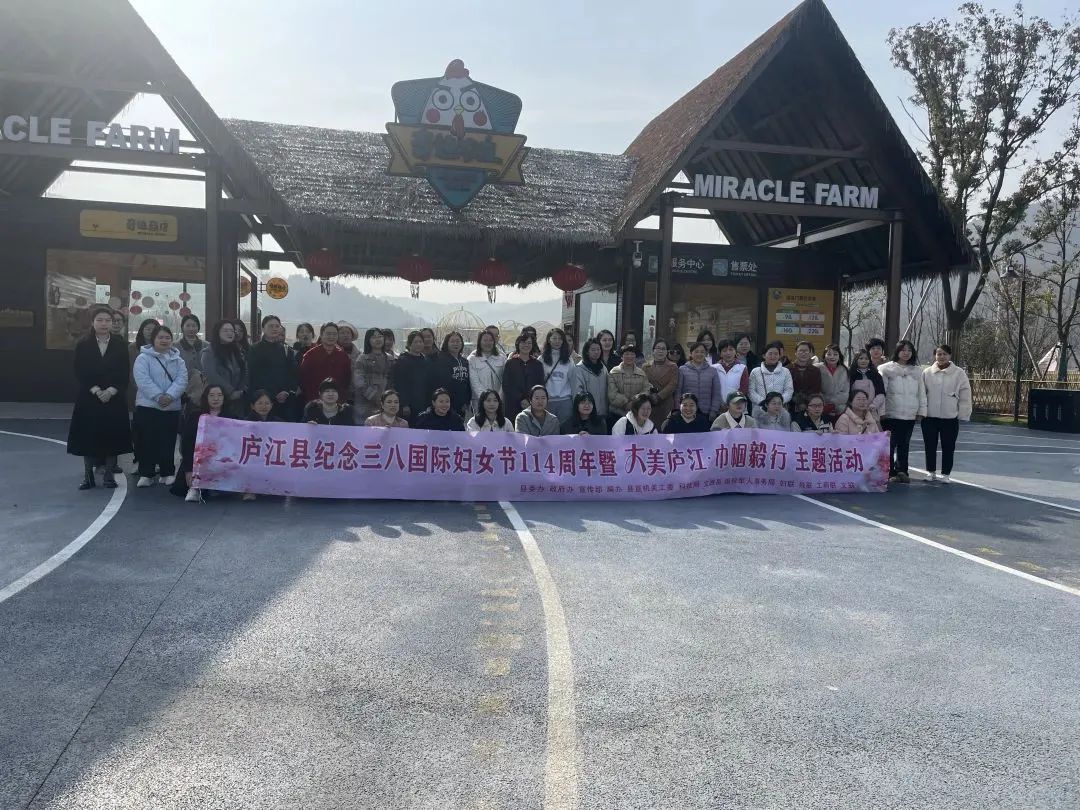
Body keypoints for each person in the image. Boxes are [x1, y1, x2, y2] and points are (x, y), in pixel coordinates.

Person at [68, 306, 131, 490]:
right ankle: (88, 477)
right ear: (93, 322)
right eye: (100, 320)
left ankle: (109, 476)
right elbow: (79, 371)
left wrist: (110, 391)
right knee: (88, 437)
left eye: (108, 320)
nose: (104, 324)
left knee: (113, 437)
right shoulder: (83, 344)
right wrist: (96, 390)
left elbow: (124, 372)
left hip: (114, 397)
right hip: (89, 397)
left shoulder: (120, 345)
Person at [131, 324, 187, 487]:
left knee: (168, 441)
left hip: (171, 406)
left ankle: (167, 472)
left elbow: (182, 380)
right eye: (160, 337)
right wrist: (158, 396)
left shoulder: (178, 360)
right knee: (147, 440)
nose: (164, 340)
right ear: (153, 339)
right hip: (148, 406)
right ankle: (146, 474)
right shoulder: (143, 358)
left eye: (168, 338)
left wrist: (170, 396)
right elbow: (142, 379)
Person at [921, 343, 972, 483]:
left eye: (945, 354)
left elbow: (965, 394)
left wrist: (963, 413)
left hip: (950, 417)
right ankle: (930, 472)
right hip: (929, 417)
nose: (942, 356)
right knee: (929, 445)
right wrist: (921, 411)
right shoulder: (927, 373)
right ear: (935, 356)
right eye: (939, 354)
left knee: (948, 446)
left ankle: (946, 474)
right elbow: (921, 394)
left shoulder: (959, 373)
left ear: (950, 355)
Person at [879, 340, 925, 483]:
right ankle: (889, 472)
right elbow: (882, 392)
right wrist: (882, 411)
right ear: (897, 351)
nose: (906, 353)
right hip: (891, 413)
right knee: (890, 444)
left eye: (909, 350)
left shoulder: (917, 371)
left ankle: (902, 471)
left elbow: (922, 393)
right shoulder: (886, 369)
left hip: (909, 414)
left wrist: (921, 411)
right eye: (903, 350)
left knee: (904, 444)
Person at [174, 384, 229, 502]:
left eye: (219, 395)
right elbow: (187, 444)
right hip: (197, 460)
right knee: (183, 487)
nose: (216, 398)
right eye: (212, 395)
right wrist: (189, 470)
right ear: (206, 397)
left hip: (222, 461)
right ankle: (195, 488)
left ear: (224, 398)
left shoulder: (231, 417)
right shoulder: (195, 416)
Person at [247, 315, 298, 421]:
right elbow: (252, 375)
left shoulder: (287, 350)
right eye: (271, 326)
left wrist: (286, 391)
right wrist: (265, 395)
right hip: (262, 401)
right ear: (263, 328)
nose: (274, 329)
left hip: (283, 400)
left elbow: (293, 373)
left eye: (277, 326)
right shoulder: (254, 349)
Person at [200, 320, 248, 413]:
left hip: (238, 398)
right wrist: (230, 391)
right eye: (225, 330)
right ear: (217, 332)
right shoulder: (209, 352)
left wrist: (241, 390)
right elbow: (212, 375)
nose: (229, 333)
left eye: (232, 331)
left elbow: (245, 371)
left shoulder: (237, 351)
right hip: (218, 398)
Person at [299, 322, 351, 405]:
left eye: (334, 334)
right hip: (314, 402)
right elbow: (303, 380)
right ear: (321, 335)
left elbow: (346, 381)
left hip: (337, 403)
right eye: (328, 334)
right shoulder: (310, 355)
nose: (331, 337)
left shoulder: (343, 356)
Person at [392, 330, 433, 425]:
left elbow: (429, 383)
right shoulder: (403, 361)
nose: (418, 344)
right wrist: (404, 404)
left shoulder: (426, 361)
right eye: (415, 342)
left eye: (420, 342)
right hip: (408, 405)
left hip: (423, 402)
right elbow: (400, 384)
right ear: (409, 344)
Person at [355, 328, 395, 420]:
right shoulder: (362, 359)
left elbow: (392, 381)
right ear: (368, 340)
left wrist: (388, 399)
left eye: (380, 336)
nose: (378, 339)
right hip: (365, 406)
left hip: (387, 406)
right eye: (374, 337)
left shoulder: (390, 359)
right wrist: (377, 398)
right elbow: (359, 383)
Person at [676, 342, 723, 421]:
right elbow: (678, 391)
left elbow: (716, 393)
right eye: (696, 351)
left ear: (706, 354)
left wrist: (714, 410)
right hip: (686, 411)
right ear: (691, 353)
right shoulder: (682, 369)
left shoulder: (712, 371)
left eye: (702, 352)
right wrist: (678, 409)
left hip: (706, 412)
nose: (699, 354)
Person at [430, 331, 471, 420]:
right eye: (452, 341)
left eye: (458, 341)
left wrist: (466, 401)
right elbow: (441, 382)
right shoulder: (441, 360)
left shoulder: (465, 361)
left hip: (461, 404)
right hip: (445, 403)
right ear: (447, 343)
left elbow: (468, 383)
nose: (455, 344)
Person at [503, 334, 544, 422]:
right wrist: (521, 399)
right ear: (518, 344)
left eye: (529, 343)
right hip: (513, 405)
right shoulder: (510, 363)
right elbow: (506, 385)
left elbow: (540, 385)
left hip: (532, 405)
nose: (526, 345)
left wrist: (530, 400)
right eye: (523, 342)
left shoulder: (537, 364)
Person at [608, 344, 651, 427]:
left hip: (636, 414)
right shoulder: (614, 372)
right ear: (621, 356)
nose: (629, 356)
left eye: (632, 354)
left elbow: (646, 390)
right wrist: (625, 403)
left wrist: (634, 402)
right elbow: (612, 394)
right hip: (616, 414)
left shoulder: (641, 373)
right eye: (626, 354)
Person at [541, 328, 575, 425]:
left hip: (565, 401)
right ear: (549, 340)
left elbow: (573, 381)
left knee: (565, 429)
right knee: (549, 429)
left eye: (560, 339)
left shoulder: (568, 360)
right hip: (548, 402)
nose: (557, 341)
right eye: (554, 338)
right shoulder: (542, 359)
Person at [468, 329, 506, 414]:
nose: (488, 343)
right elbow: (474, 382)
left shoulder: (502, 358)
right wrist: (485, 399)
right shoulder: (472, 359)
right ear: (479, 342)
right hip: (479, 401)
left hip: (499, 401)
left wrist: (497, 398)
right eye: (485, 340)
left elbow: (505, 380)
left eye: (490, 340)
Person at [571, 337, 609, 420]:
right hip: (586, 414)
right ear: (587, 352)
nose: (596, 352)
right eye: (593, 350)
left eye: (598, 349)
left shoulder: (603, 368)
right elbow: (577, 393)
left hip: (603, 413)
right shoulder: (579, 369)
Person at [748, 342, 794, 411]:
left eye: (776, 354)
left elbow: (789, 390)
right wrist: (764, 402)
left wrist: (778, 402)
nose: (773, 356)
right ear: (764, 355)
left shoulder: (786, 371)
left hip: (779, 409)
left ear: (779, 356)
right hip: (760, 409)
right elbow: (751, 391)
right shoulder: (755, 371)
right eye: (770, 354)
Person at [644, 338, 678, 427]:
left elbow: (672, 384)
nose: (660, 351)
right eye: (658, 348)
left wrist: (658, 396)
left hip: (666, 404)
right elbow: (643, 383)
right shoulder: (646, 366)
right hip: (650, 404)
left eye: (663, 349)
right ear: (653, 351)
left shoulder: (673, 366)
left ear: (667, 352)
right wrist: (650, 395)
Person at [127, 318, 159, 411]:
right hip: (137, 388)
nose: (150, 332)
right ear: (142, 330)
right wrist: (142, 389)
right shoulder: (133, 347)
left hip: (158, 389)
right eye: (148, 329)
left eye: (153, 330)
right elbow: (131, 370)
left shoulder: (162, 346)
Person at [788, 340, 823, 413]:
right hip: (791, 406)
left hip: (810, 406)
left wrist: (805, 403)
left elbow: (816, 390)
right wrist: (797, 401)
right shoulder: (788, 369)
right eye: (801, 351)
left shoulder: (816, 371)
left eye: (806, 351)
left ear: (810, 353)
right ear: (795, 353)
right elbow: (788, 389)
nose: (803, 353)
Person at [816, 343, 849, 419]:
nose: (832, 357)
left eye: (835, 354)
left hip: (839, 408)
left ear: (839, 356)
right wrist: (824, 403)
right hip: (820, 408)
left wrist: (833, 403)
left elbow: (845, 392)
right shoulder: (818, 369)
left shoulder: (844, 370)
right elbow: (815, 390)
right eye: (829, 354)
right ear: (824, 355)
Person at [712, 339, 749, 405]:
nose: (728, 353)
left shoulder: (742, 368)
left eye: (731, 350)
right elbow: (711, 388)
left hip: (736, 405)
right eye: (724, 351)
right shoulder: (714, 368)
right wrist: (719, 403)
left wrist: (733, 403)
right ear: (720, 354)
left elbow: (744, 389)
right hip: (717, 406)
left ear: (735, 351)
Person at [848, 349, 886, 414]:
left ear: (869, 360)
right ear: (856, 360)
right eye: (861, 358)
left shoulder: (875, 375)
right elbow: (847, 392)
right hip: (853, 410)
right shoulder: (850, 374)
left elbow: (881, 393)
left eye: (866, 359)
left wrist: (874, 405)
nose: (863, 361)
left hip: (872, 410)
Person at [176, 314, 205, 378]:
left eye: (194, 326)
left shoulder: (207, 345)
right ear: (182, 327)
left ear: (198, 327)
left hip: (203, 381)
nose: (191, 329)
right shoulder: (175, 346)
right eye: (188, 326)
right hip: (182, 380)